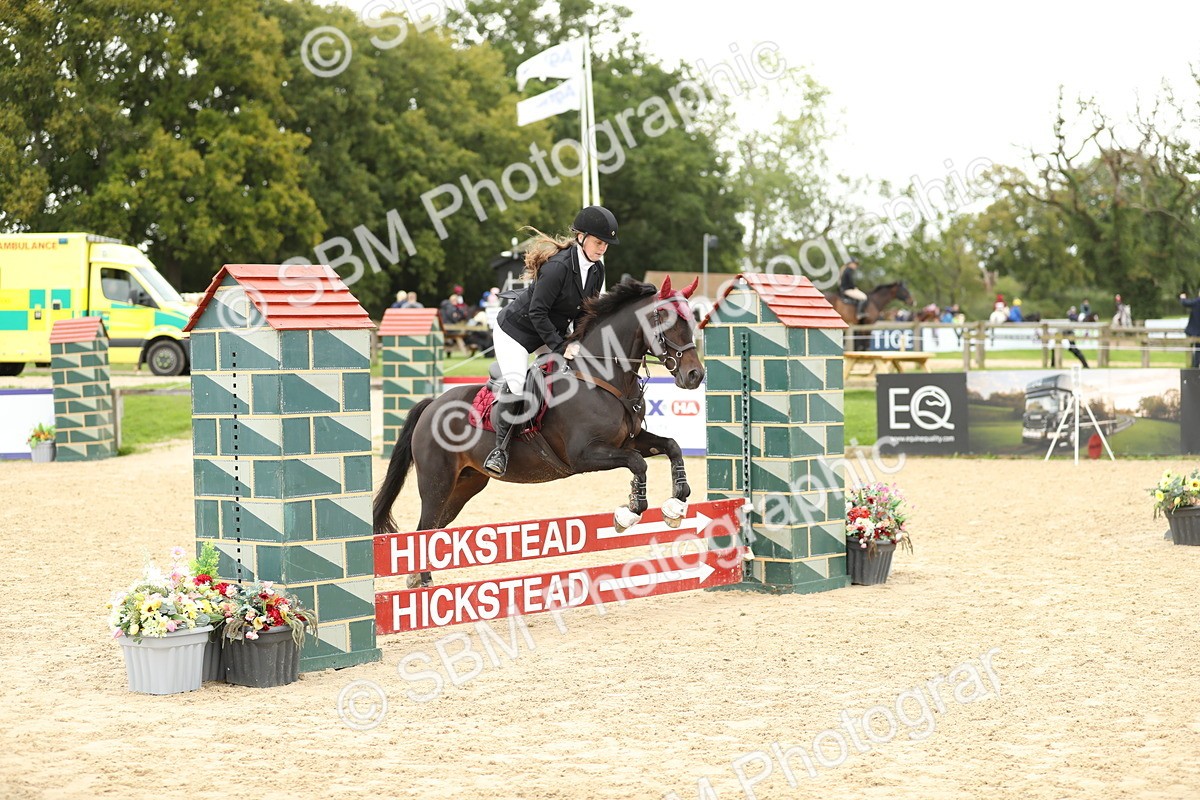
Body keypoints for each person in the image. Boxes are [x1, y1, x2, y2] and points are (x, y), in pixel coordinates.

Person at [482, 205, 619, 477]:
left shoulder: (596, 270)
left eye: (606, 244)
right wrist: (561, 346)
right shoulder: (558, 267)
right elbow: (537, 312)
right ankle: (500, 450)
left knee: (572, 373)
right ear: (581, 237)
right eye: (598, 242)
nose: (602, 248)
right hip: (516, 333)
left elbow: (584, 312)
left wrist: (583, 341)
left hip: (549, 331)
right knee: (520, 385)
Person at [1181, 291, 1200, 369]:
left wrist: (1183, 298)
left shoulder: (1197, 302)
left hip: (1194, 331)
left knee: (1195, 350)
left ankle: (1194, 367)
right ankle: (1194, 366)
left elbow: (1186, 303)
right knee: (1198, 351)